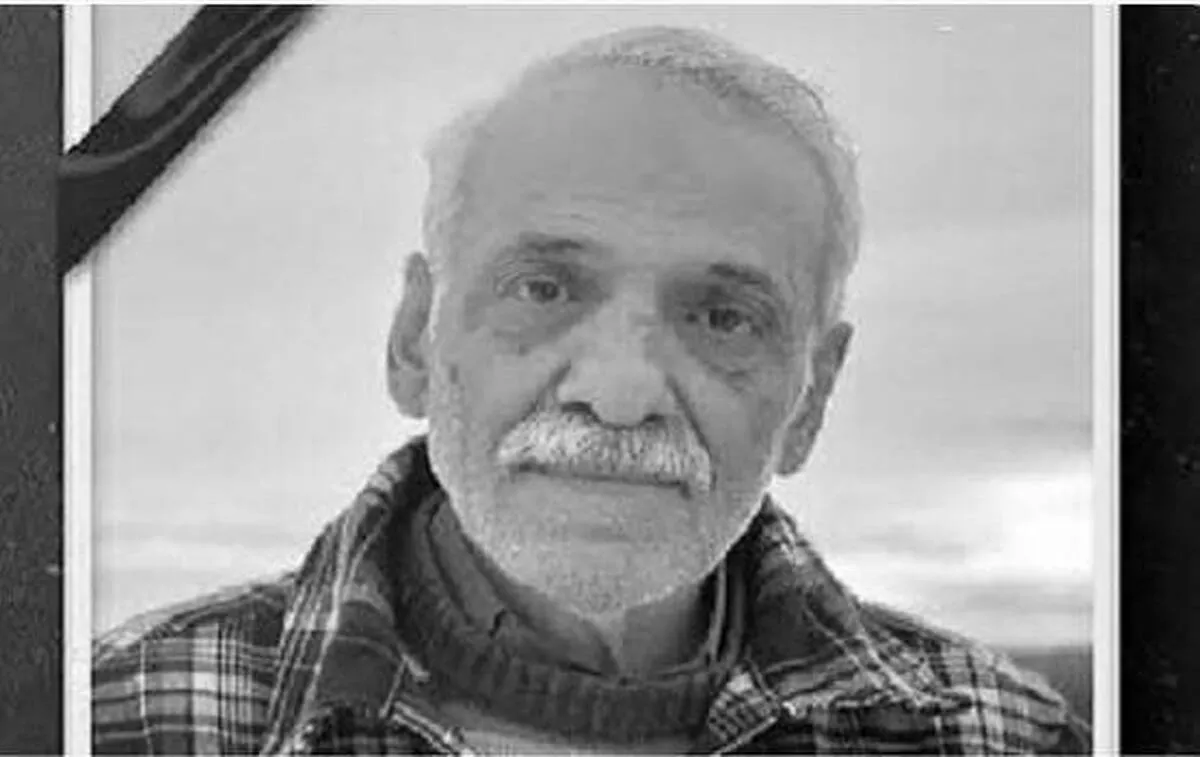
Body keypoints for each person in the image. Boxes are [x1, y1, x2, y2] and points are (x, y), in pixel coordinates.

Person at [92, 26, 1091, 754]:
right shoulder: (114, 718)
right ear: (413, 341)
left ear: (811, 395)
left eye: (722, 316)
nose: (620, 394)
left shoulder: (1007, 737)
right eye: (544, 288)